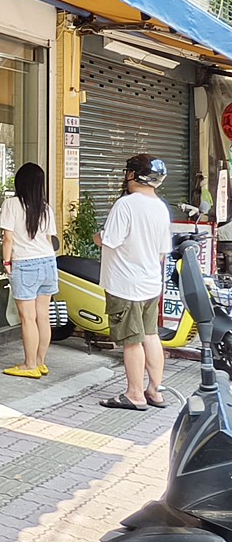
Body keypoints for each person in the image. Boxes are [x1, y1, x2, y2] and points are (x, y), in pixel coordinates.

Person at [95, 154, 172, 410]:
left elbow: (110, 240)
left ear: (133, 175)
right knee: (151, 335)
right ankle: (155, 390)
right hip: (151, 283)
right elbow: (162, 251)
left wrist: (98, 237)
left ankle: (135, 394)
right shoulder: (161, 207)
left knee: (131, 340)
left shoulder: (126, 205)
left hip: (125, 285)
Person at [0, 163, 58, 379]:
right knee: (43, 317)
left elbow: (8, 238)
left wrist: (6, 263)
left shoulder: (11, 204)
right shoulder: (46, 208)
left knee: (28, 318)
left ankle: (29, 364)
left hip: (25, 264)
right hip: (48, 263)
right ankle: (40, 362)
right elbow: (49, 239)